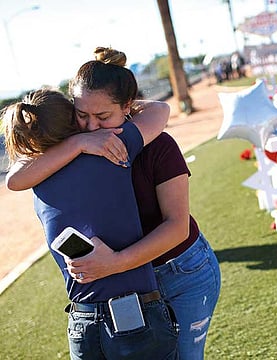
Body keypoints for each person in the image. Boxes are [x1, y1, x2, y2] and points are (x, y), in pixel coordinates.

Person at [6, 47, 221, 360]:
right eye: (81, 115)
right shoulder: (67, 154)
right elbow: (15, 177)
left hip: (180, 271)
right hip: (131, 283)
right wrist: (78, 143)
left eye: (103, 116)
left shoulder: (156, 144)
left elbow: (177, 226)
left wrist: (116, 262)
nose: (92, 127)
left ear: (129, 107)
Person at [2, 84, 177, 358]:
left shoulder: (36, 178)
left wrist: (75, 142)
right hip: (134, 316)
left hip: (81, 325)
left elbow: (13, 179)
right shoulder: (111, 150)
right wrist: (85, 137)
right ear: (73, 118)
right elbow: (160, 110)